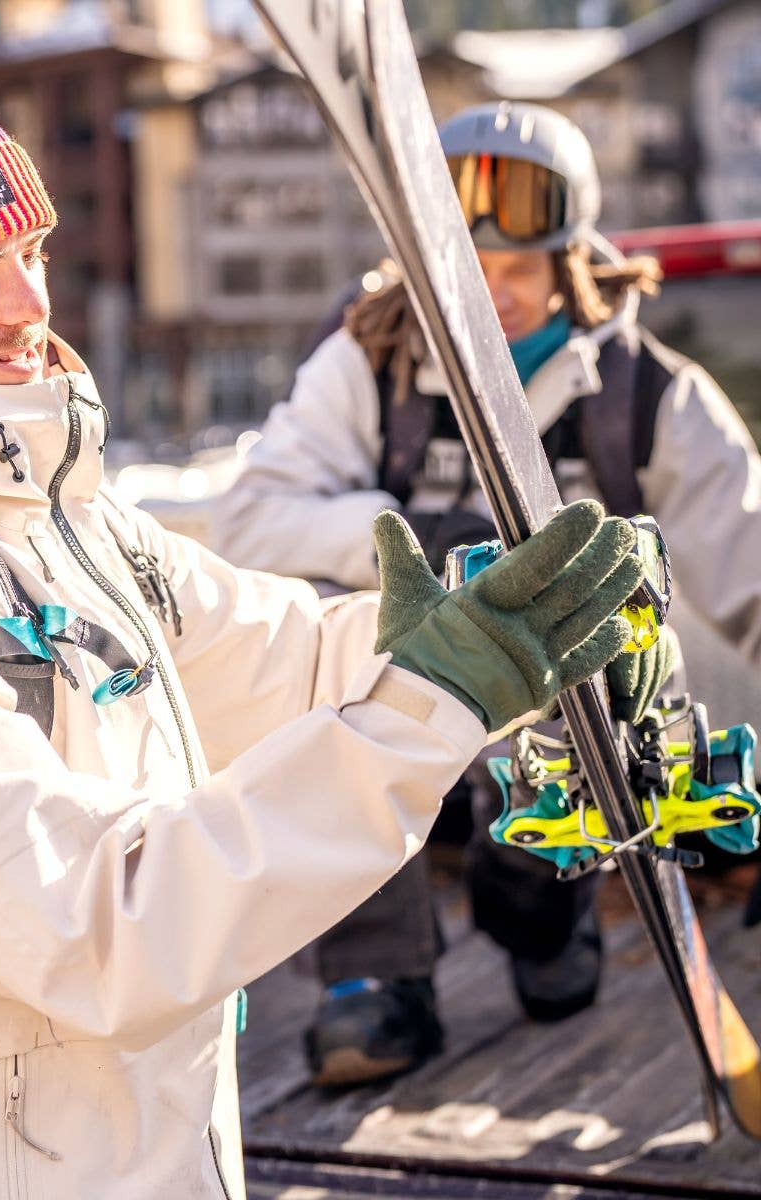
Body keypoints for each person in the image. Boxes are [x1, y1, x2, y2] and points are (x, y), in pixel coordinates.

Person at [0, 63, 642, 1199]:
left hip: (143, 1151)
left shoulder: (45, 512)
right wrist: (436, 700)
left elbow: (272, 660)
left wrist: (485, 644)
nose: (29, 307)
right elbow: (100, 927)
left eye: (32, 255)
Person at [211, 100, 761, 1088]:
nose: (494, 297)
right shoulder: (369, 357)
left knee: (559, 969)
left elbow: (756, 579)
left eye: (520, 269)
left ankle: (543, 915)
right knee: (322, 689)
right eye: (469, 271)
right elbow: (252, 516)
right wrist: (416, 543)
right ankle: (372, 985)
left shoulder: (647, 396)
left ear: (571, 261)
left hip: (560, 717)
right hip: (400, 680)